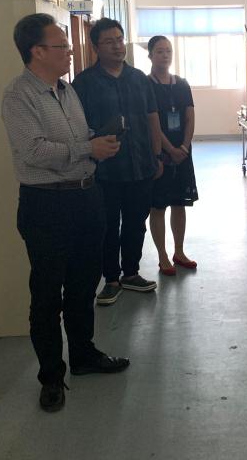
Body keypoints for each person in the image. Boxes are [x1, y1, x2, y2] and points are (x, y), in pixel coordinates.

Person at [1, 13, 130, 412]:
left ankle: (84, 355)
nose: (70, 52)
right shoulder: (19, 96)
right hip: (46, 205)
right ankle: (51, 376)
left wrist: (97, 142)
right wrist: (88, 148)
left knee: (82, 285)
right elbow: (33, 151)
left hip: (86, 199)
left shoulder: (67, 90)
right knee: (46, 294)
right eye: (62, 46)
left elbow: (76, 138)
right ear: (37, 51)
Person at [72, 18, 163, 306]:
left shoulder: (139, 79)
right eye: (109, 41)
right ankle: (111, 279)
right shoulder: (84, 83)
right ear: (95, 47)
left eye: (120, 39)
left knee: (136, 223)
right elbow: (77, 126)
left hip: (140, 165)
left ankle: (131, 273)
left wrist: (157, 155)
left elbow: (152, 117)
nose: (117, 46)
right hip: (104, 170)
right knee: (107, 225)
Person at [145, 36, 199, 276]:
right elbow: (151, 124)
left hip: (183, 153)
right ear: (150, 55)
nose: (165, 55)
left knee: (179, 203)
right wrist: (169, 149)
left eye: (168, 51)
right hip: (159, 153)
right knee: (158, 206)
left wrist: (184, 147)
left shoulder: (182, 84)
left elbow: (190, 117)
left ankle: (179, 251)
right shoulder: (146, 85)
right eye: (159, 51)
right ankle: (162, 256)